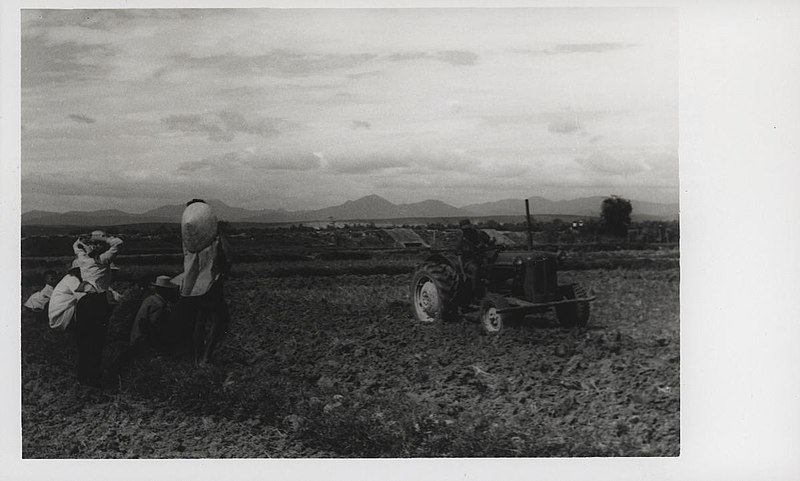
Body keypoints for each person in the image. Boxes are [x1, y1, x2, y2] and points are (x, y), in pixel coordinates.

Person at [178, 199, 232, 366]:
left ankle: (197, 358)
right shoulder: (214, 240)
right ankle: (206, 357)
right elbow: (229, 257)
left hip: (193, 285)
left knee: (199, 320)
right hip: (212, 284)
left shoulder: (188, 242)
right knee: (217, 319)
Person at [70, 231, 123, 387]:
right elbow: (118, 243)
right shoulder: (103, 260)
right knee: (97, 340)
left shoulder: (83, 259)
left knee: (83, 339)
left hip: (84, 301)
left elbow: (75, 245)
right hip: (98, 302)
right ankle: (93, 378)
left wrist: (83, 240)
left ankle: (82, 376)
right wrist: (102, 238)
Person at [129, 275, 180, 352]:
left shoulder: (150, 299)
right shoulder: (159, 305)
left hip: (136, 338)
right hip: (143, 343)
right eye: (171, 291)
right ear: (165, 291)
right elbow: (153, 327)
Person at [455, 219, 495, 298]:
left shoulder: (480, 234)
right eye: (465, 229)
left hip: (483, 258)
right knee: (475, 269)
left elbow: (489, 243)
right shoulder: (461, 241)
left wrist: (492, 242)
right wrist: (463, 273)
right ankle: (476, 292)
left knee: (494, 266)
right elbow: (460, 258)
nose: (467, 231)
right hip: (469, 262)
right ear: (462, 230)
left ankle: (494, 289)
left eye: (468, 228)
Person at [48, 260, 85, 331]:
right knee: (87, 304)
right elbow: (82, 297)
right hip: (60, 318)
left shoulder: (72, 278)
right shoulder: (72, 279)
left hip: (61, 314)